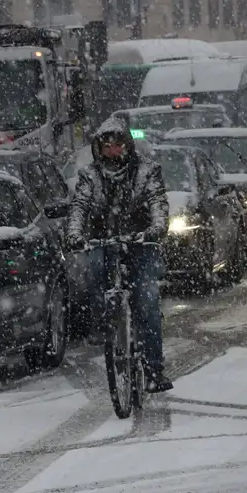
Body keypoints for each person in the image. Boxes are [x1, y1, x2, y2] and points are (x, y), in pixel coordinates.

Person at [66, 116, 173, 393]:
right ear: (98, 149)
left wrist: (156, 229)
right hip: (103, 241)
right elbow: (79, 206)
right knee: (91, 273)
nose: (113, 151)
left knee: (147, 300)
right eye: (107, 146)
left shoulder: (147, 171)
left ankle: (153, 369)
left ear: (128, 146)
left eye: (118, 145)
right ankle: (102, 325)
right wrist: (75, 235)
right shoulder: (90, 175)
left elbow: (157, 201)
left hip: (139, 243)